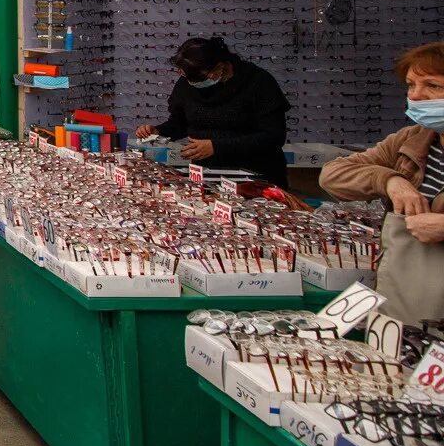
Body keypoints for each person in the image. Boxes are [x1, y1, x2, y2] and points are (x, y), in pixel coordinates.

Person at [318, 42, 444, 323]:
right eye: (411, 85)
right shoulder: (411, 139)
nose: (417, 96)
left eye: (433, 86)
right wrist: (389, 179)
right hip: (405, 300)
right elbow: (333, 175)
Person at [130, 36, 290, 185]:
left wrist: (217, 147)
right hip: (207, 176)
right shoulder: (188, 82)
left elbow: (273, 136)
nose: (192, 84)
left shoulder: (259, 83)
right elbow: (180, 123)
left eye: (199, 79)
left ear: (220, 67)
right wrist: (158, 131)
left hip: (257, 177)